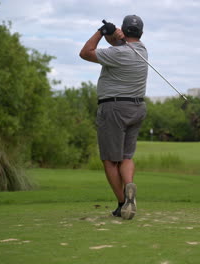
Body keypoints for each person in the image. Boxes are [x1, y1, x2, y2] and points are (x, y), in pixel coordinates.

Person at [79, 15, 147, 220]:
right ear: (141, 34)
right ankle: (129, 190)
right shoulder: (142, 50)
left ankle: (122, 203)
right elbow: (119, 44)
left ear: (125, 31)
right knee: (126, 157)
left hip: (114, 108)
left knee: (110, 160)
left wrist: (101, 32)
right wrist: (113, 34)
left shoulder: (117, 54)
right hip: (137, 108)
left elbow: (85, 53)